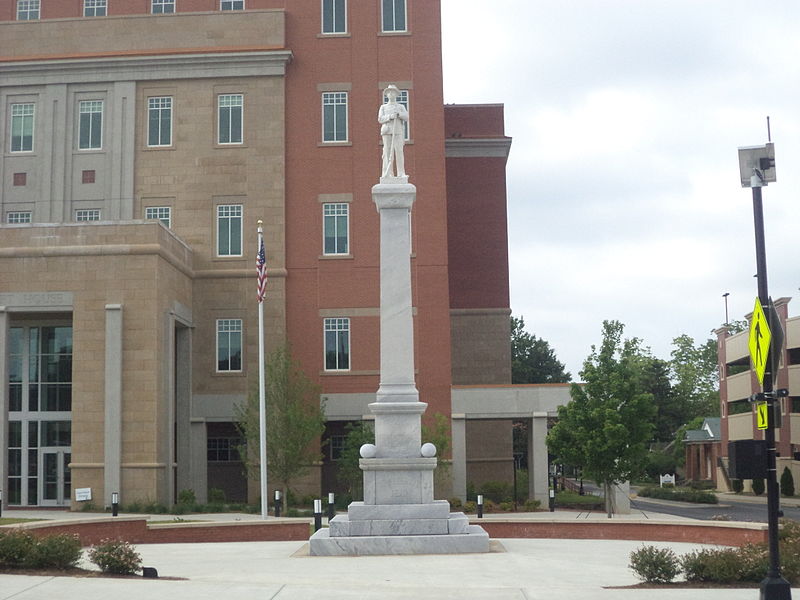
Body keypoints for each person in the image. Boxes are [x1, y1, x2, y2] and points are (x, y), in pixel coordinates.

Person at [378, 85, 408, 178]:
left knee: (399, 151)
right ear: (387, 94)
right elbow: (380, 119)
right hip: (387, 131)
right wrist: (390, 117)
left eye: (393, 92)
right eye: (389, 92)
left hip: (397, 130)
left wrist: (399, 114)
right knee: (387, 152)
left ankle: (401, 173)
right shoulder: (383, 107)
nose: (391, 94)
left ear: (396, 94)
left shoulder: (400, 106)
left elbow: (406, 117)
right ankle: (389, 173)